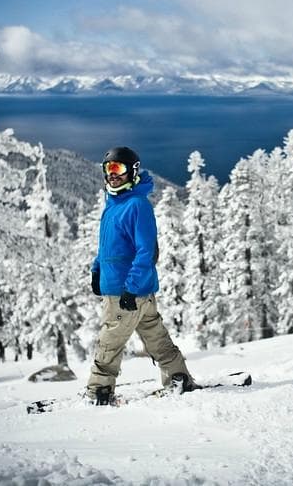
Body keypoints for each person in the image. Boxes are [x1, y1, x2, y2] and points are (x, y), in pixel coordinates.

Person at [87, 146, 197, 405]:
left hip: (126, 291)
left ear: (132, 172)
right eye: (109, 168)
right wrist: (96, 269)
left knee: (109, 343)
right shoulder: (114, 204)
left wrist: (131, 288)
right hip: (131, 290)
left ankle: (98, 392)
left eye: (119, 169)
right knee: (156, 338)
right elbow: (108, 246)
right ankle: (178, 377)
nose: (112, 175)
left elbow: (146, 251)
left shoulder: (137, 205)